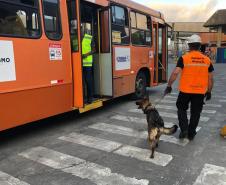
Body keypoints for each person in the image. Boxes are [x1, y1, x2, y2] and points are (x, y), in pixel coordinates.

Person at [164, 34, 214, 140]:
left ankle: (184, 129)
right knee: (196, 113)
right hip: (200, 92)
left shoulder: (184, 58)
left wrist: (169, 85)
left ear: (189, 46)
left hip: (185, 91)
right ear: (199, 46)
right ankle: (191, 133)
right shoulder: (207, 60)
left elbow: (175, 73)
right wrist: (209, 91)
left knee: (181, 109)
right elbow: (210, 79)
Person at [82, 28, 95, 104]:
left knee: (88, 80)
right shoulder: (75, 37)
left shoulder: (89, 37)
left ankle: (90, 97)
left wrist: (85, 55)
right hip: (78, 63)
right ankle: (83, 97)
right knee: (81, 81)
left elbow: (94, 50)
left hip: (88, 64)